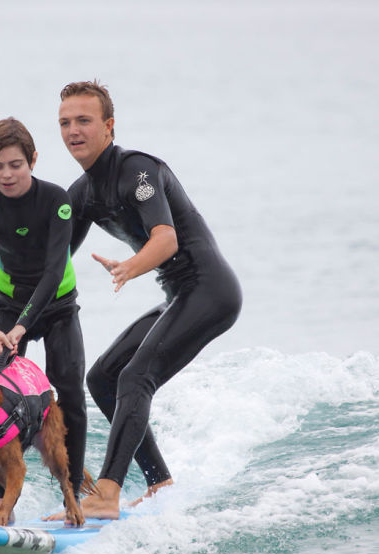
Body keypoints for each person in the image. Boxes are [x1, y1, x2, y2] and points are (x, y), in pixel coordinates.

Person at [55, 81, 242, 519]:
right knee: (102, 377)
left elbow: (166, 240)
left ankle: (106, 494)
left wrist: (129, 267)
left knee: (136, 376)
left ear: (109, 126)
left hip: (210, 289)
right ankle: (159, 482)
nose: (73, 131)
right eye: (65, 123)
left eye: (84, 120)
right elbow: (53, 261)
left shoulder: (137, 169)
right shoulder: (81, 194)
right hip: (179, 296)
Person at [0, 117, 87, 499]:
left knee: (68, 390)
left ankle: (75, 493)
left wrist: (22, 327)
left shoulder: (56, 201)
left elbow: (53, 272)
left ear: (33, 160)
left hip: (57, 307)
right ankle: (3, 504)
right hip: (5, 308)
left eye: (15, 165)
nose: (6, 175)